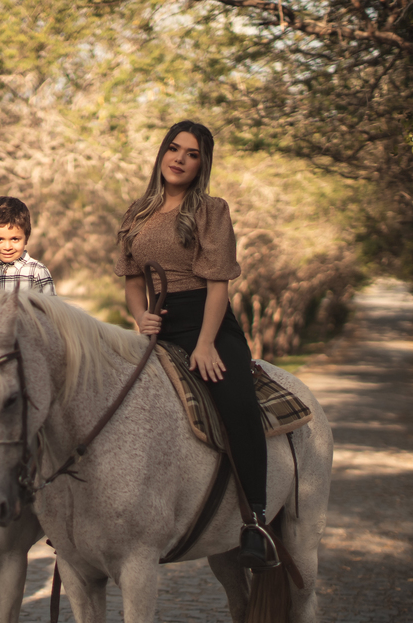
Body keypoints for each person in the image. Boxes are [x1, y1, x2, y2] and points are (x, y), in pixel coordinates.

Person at [115, 120, 277, 571]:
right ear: (162, 153)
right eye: (174, 149)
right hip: (159, 325)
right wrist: (139, 316)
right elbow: (132, 280)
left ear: (202, 163)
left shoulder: (210, 210)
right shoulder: (138, 212)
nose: (180, 159)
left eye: (192, 153)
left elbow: (219, 284)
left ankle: (256, 521)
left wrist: (206, 345)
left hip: (210, 323)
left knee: (238, 404)